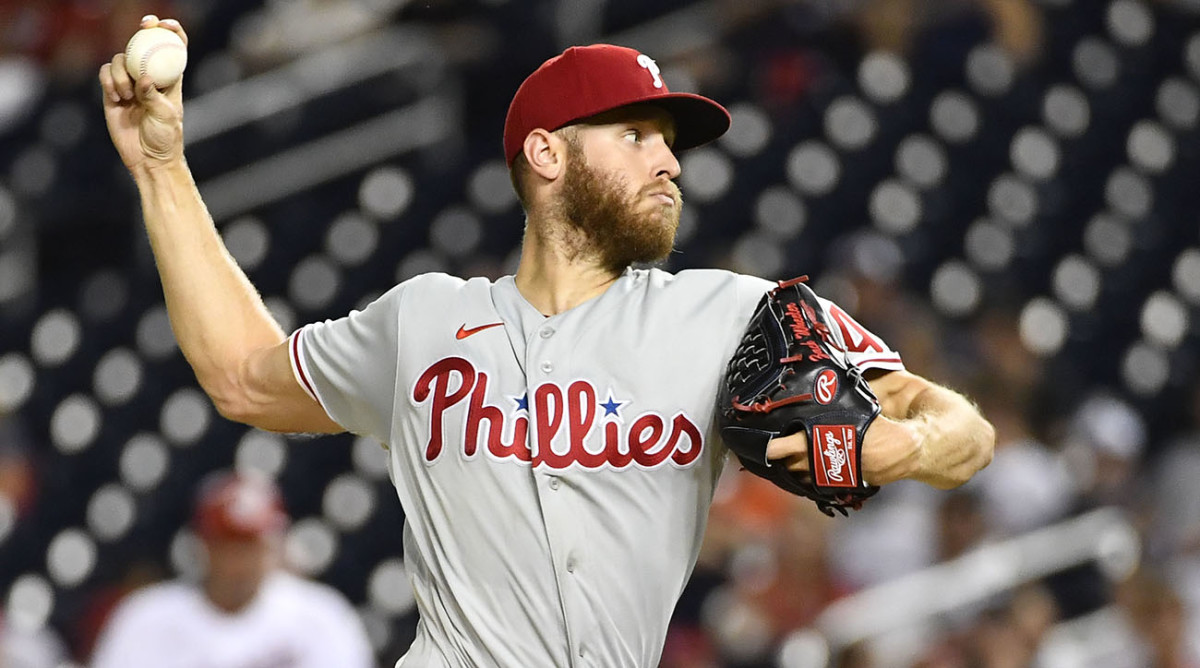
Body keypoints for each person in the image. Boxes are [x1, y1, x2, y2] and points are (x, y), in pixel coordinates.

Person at [97, 15, 995, 667]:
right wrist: (162, 166)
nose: (670, 162)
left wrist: (912, 441)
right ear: (547, 155)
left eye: (671, 143)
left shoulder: (732, 315)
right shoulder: (424, 321)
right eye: (637, 134)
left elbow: (964, 430)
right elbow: (243, 378)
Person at [89, 471, 374, 668]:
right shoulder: (146, 619)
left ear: (273, 546)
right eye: (228, 545)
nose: (239, 562)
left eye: (250, 546)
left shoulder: (320, 618)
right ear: (202, 545)